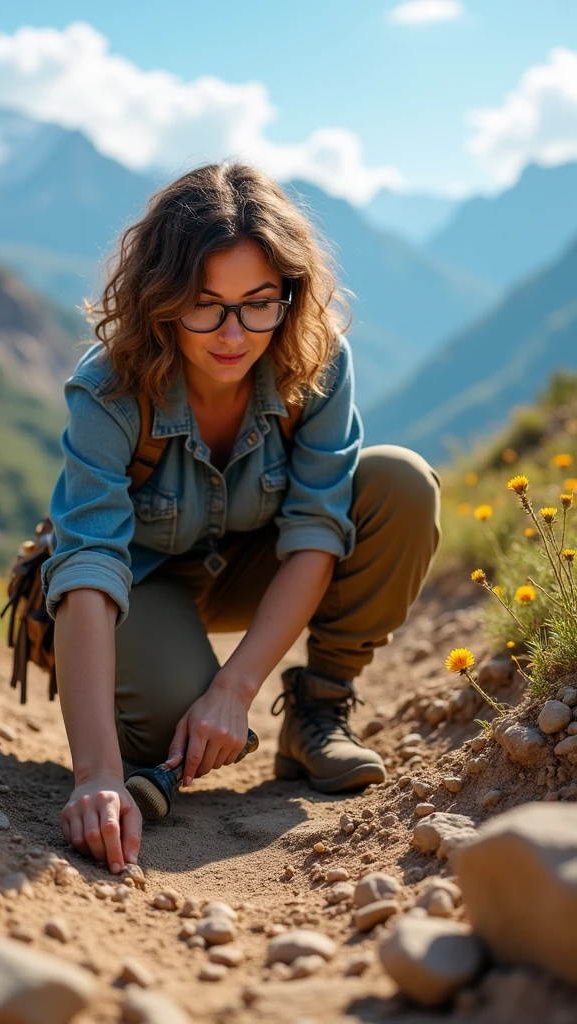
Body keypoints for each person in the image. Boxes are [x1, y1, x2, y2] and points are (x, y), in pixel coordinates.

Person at [40, 162, 441, 874]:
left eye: (260, 302)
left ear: (290, 293)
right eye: (205, 304)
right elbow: (89, 565)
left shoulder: (316, 361)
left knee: (399, 483)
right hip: (142, 584)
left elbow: (319, 526)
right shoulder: (109, 387)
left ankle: (318, 710)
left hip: (257, 564)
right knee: (172, 722)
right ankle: (144, 717)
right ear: (162, 299)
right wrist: (95, 775)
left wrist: (235, 689)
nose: (234, 333)